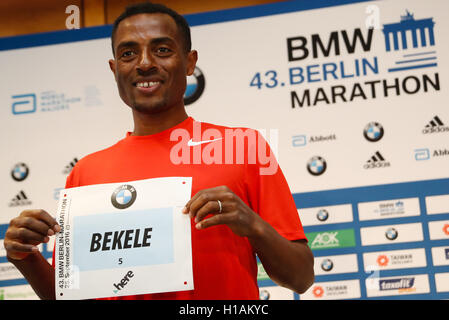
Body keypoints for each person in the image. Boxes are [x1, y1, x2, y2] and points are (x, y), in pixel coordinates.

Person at [3, 2, 314, 300]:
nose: (145, 63)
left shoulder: (242, 148)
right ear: (114, 69)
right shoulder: (86, 172)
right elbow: (70, 296)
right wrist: (25, 257)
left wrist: (253, 224)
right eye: (128, 53)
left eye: (162, 50)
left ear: (190, 61)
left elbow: (300, 277)